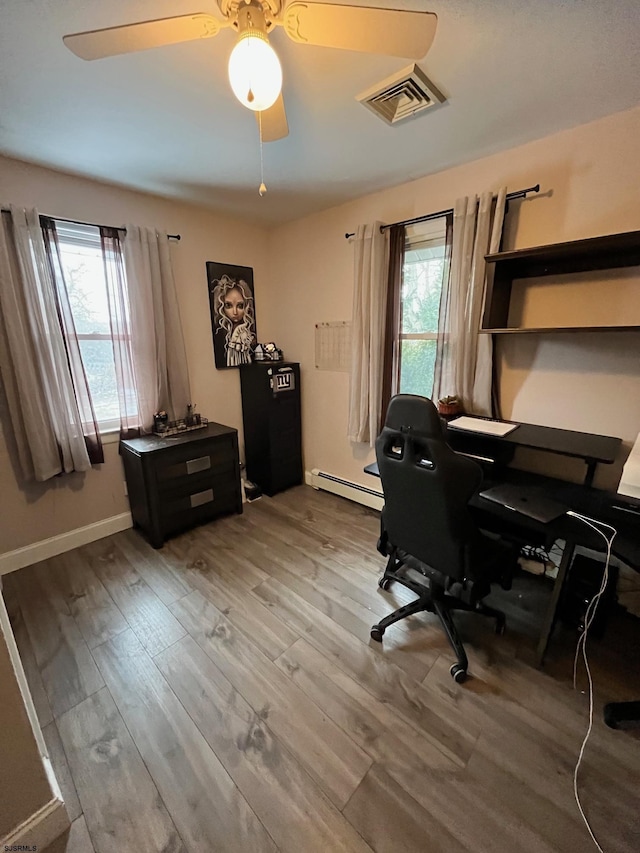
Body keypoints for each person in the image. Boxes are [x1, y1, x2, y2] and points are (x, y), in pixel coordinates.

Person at [211, 275, 256, 367]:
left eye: (240, 306)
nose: (235, 312)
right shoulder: (218, 335)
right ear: (221, 306)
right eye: (228, 305)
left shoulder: (248, 333)